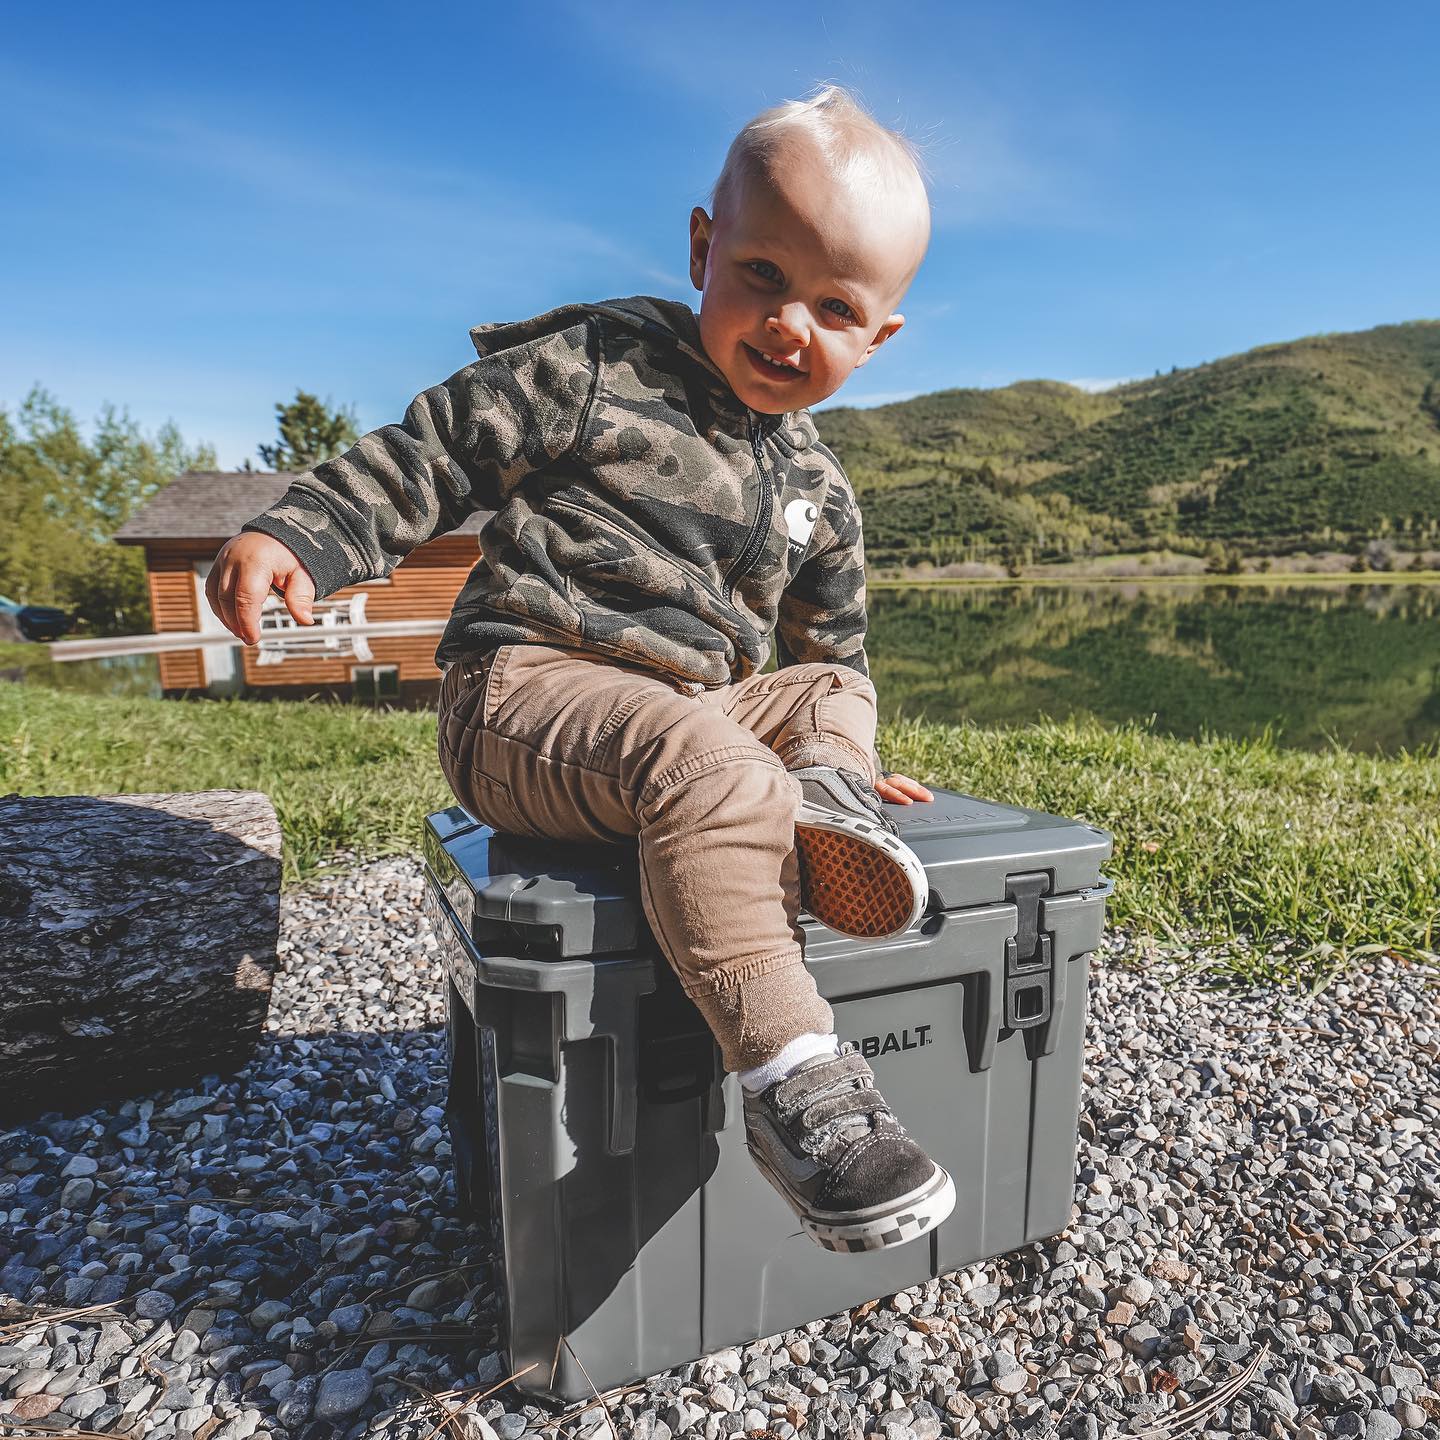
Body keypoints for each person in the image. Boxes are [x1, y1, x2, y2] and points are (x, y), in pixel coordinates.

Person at [207, 85, 955, 1254]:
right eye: (763, 275)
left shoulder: (822, 492)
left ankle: (826, 795)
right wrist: (303, 533)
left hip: (682, 713)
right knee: (709, 762)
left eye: (835, 307)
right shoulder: (603, 367)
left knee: (830, 695)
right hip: (526, 693)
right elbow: (439, 448)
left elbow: (829, 645)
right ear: (705, 247)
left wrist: (840, 736)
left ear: (878, 336)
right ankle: (793, 1077)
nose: (790, 324)